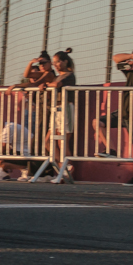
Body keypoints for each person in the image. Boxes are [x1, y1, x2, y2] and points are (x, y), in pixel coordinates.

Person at [92, 48, 133, 184]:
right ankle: (111, 149)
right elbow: (115, 58)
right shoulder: (130, 71)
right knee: (97, 122)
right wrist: (131, 56)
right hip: (123, 112)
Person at [44, 49, 77, 184]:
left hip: (65, 108)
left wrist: (46, 85)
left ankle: (67, 167)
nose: (55, 65)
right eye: (54, 62)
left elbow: (57, 85)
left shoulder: (69, 75)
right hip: (56, 109)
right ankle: (63, 168)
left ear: (65, 62)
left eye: (58, 62)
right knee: (48, 141)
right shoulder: (57, 76)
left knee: (63, 142)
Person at [0, 117, 33, 181]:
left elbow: (0, 149)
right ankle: (3, 173)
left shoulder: (8, 129)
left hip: (27, 154)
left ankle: (26, 169)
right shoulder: (7, 127)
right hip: (23, 152)